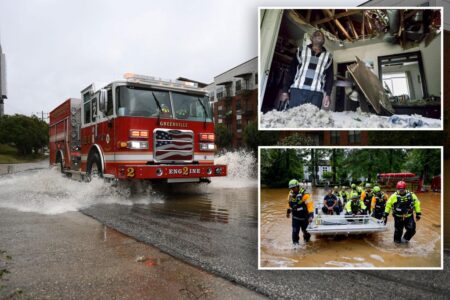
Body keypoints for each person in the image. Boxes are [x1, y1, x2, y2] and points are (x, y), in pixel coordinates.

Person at [280, 30, 333, 110]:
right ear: (311, 38)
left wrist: (328, 95)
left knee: (312, 120)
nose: (319, 35)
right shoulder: (300, 50)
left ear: (324, 40)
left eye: (321, 35)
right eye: (316, 34)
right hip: (297, 91)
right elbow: (291, 71)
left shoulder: (329, 57)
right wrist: (285, 90)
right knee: (293, 118)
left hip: (316, 94)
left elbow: (329, 78)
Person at [286, 179, 314, 245]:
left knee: (306, 234)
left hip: (304, 217)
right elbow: (289, 204)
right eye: (291, 188)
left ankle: (307, 243)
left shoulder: (305, 194)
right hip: (295, 217)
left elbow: (310, 206)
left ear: (298, 186)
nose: (293, 189)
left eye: (294, 188)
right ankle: (295, 247)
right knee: (295, 233)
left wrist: (310, 216)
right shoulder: (290, 195)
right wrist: (288, 212)